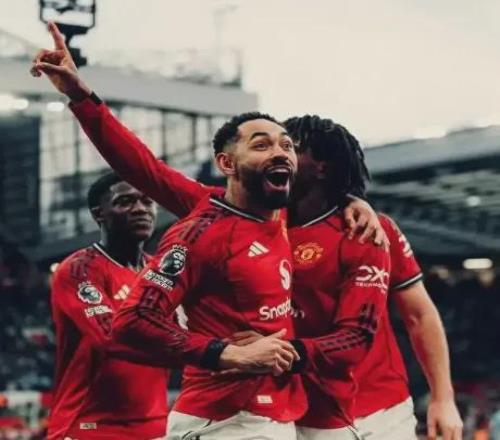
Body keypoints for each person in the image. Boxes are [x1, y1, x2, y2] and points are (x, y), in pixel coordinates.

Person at [284, 115, 462, 440]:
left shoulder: (371, 230)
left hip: (379, 414)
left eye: (290, 146)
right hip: (297, 414)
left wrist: (443, 398)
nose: (278, 154)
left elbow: (419, 315)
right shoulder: (256, 227)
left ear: (321, 167)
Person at [49, 172, 170, 440]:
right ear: (98, 214)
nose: (140, 209)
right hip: (90, 427)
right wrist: (210, 353)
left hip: (155, 428)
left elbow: (193, 327)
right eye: (125, 201)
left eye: (147, 201)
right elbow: (113, 337)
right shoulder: (79, 270)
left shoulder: (161, 272)